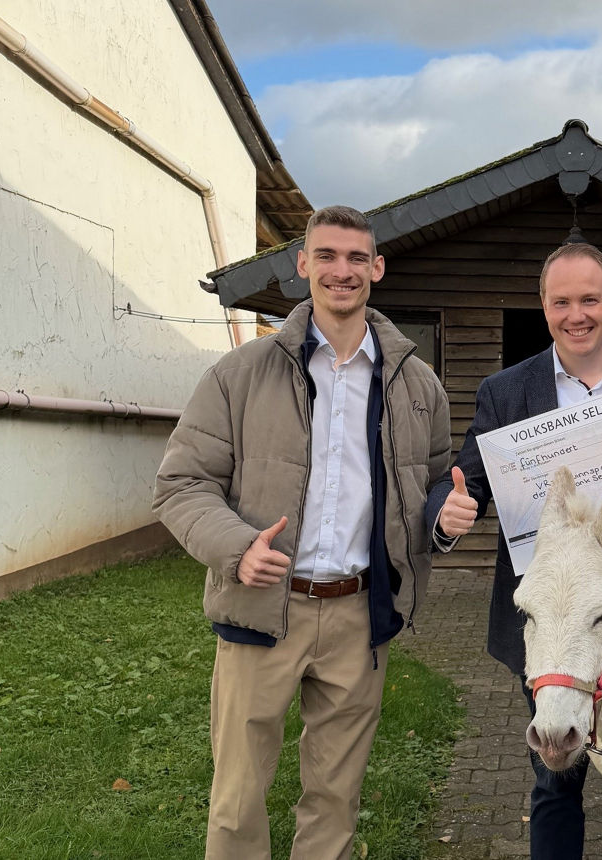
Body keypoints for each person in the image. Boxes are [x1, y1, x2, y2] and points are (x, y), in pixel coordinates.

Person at [153, 205, 451, 860]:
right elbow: (181, 484)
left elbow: (429, 487)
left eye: (355, 258)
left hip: (357, 615)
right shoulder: (239, 375)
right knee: (236, 801)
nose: (341, 271)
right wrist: (237, 547)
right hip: (264, 611)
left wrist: (443, 519)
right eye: (327, 256)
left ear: (376, 268)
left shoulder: (417, 385)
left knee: (335, 800)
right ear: (303, 266)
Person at [425, 242, 602, 860]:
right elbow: (468, 484)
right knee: (554, 777)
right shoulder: (506, 392)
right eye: (562, 301)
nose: (576, 314)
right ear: (543, 306)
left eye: (590, 299)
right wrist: (449, 516)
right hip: (552, 628)